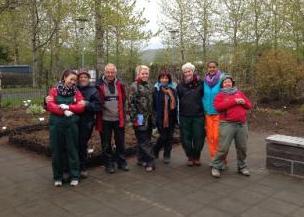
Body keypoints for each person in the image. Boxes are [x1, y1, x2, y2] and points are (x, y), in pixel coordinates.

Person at [47, 69, 85, 187]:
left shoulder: (76, 92)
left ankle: (75, 175)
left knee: (72, 149)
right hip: (56, 125)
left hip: (71, 125)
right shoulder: (54, 90)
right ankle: (58, 177)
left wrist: (69, 107)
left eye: (75, 80)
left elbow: (81, 106)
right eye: (71, 79)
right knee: (57, 150)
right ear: (64, 78)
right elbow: (50, 105)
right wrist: (63, 111)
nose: (73, 82)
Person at [211, 74, 252, 178]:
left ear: (232, 83)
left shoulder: (239, 93)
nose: (227, 83)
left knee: (242, 147)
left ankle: (242, 167)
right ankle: (216, 166)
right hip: (227, 124)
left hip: (242, 124)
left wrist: (243, 102)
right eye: (225, 82)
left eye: (229, 81)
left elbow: (249, 105)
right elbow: (218, 107)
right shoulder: (220, 95)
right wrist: (234, 101)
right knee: (223, 148)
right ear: (222, 85)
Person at [96, 63, 129, 174]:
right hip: (105, 119)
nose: (110, 74)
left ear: (115, 73)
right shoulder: (98, 85)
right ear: (104, 72)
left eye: (112, 72)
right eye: (108, 72)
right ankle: (109, 164)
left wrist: (125, 115)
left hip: (118, 119)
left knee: (120, 142)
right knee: (106, 143)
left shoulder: (120, 84)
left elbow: (124, 99)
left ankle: (121, 162)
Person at [177, 62, 205, 166]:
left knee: (199, 137)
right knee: (185, 138)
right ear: (183, 73)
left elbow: (204, 97)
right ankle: (190, 157)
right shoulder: (180, 86)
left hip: (198, 115)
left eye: (189, 71)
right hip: (184, 116)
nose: (187, 73)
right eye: (185, 72)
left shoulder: (201, 83)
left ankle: (197, 156)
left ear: (193, 71)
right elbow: (178, 100)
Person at [129, 65, 155, 172]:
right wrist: (134, 118)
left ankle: (140, 158)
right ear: (138, 74)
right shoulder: (134, 86)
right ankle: (149, 161)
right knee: (144, 139)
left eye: (146, 73)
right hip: (139, 117)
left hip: (149, 117)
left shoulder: (149, 85)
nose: (145, 75)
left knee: (145, 138)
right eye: (143, 73)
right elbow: (131, 104)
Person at [77, 70, 102, 178]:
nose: (83, 79)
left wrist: (87, 104)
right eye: (81, 77)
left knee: (82, 144)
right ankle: (72, 167)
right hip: (73, 121)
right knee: (72, 144)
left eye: (85, 77)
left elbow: (98, 107)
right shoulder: (73, 89)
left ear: (88, 79)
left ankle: (82, 167)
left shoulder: (93, 91)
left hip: (86, 122)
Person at [153, 70, 177, 164]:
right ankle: (156, 149)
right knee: (163, 136)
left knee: (169, 137)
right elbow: (153, 105)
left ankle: (167, 155)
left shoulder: (173, 89)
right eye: (162, 78)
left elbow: (176, 103)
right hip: (160, 117)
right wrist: (155, 117)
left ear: (169, 79)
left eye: (166, 78)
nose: (164, 80)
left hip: (171, 117)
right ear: (159, 79)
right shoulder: (156, 90)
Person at [202, 61, 225, 161]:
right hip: (207, 113)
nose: (212, 69)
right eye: (210, 67)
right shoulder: (204, 81)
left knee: (218, 138)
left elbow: (226, 94)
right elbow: (202, 95)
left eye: (214, 67)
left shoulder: (222, 79)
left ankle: (221, 159)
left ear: (217, 67)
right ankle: (213, 158)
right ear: (207, 68)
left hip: (218, 113)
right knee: (210, 138)